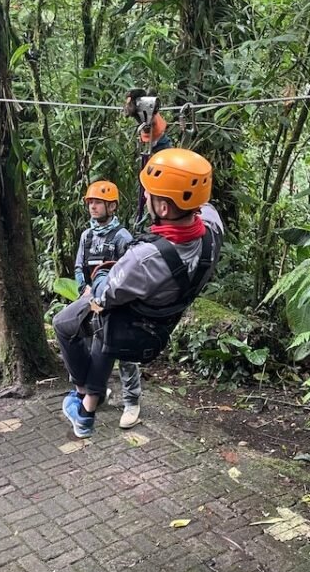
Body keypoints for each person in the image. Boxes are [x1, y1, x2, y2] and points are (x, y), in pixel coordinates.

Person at [54, 148, 223, 439]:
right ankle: (89, 402)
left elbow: (105, 295)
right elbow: (200, 198)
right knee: (102, 335)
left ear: (165, 209)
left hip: (130, 324)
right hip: (160, 319)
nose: (145, 198)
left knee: (64, 324)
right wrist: (158, 138)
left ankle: (83, 397)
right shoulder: (212, 230)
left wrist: (103, 274)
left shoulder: (144, 259)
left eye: (150, 195)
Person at [72, 180, 142, 429]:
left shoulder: (122, 237)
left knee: (123, 352)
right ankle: (97, 393)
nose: (92, 206)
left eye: (98, 202)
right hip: (92, 302)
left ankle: (132, 402)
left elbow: (130, 270)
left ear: (111, 206)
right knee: (92, 348)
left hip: (118, 303)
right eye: (90, 202)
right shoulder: (87, 236)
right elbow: (80, 266)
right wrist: (84, 289)